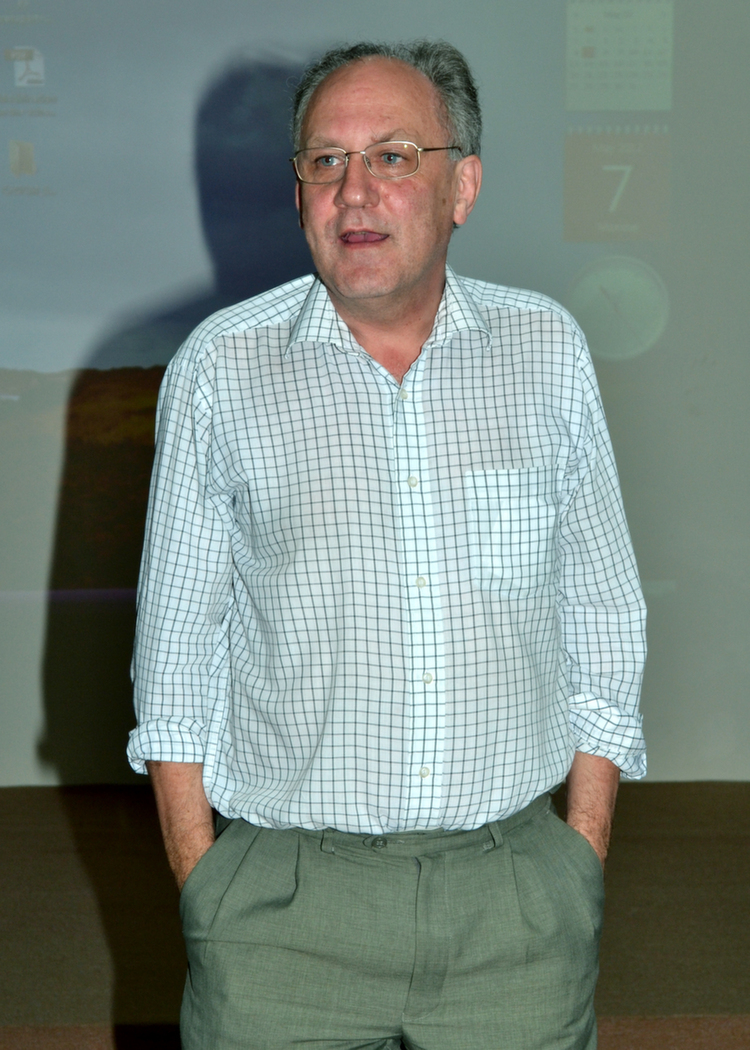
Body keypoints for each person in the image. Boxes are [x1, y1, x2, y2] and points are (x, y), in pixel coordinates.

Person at [128, 39, 646, 1050]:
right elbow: (175, 659)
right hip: (282, 913)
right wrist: (209, 885)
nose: (354, 191)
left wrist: (576, 855)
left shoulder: (545, 353)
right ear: (299, 193)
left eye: (394, 157)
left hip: (514, 907)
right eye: (326, 160)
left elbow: (603, 615)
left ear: (464, 187)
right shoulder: (221, 371)